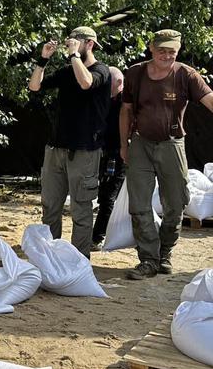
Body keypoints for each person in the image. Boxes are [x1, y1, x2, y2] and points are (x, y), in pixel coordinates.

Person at [120, 29, 213, 279]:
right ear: (151, 48)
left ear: (178, 50)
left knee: (176, 203)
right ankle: (148, 259)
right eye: (162, 49)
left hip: (172, 144)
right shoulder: (135, 73)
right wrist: (124, 145)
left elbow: (209, 99)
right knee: (138, 205)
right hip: (140, 143)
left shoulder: (186, 75)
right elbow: (126, 111)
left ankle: (165, 253)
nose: (167, 55)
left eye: (172, 50)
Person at [29, 27, 111, 257]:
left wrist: (75, 56)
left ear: (90, 44)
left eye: (77, 42)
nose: (71, 46)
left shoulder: (102, 71)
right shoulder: (67, 72)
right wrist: (43, 59)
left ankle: (79, 259)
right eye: (70, 42)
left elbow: (86, 83)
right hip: (56, 148)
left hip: (85, 150)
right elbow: (35, 86)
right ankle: (51, 256)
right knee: (50, 206)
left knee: (81, 208)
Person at [91, 66, 125, 250]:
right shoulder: (104, 100)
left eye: (107, 83)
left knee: (108, 197)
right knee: (103, 194)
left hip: (119, 154)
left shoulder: (126, 103)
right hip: (102, 152)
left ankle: (97, 237)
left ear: (119, 83)